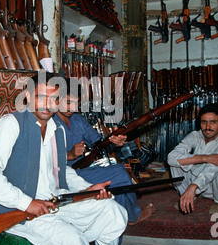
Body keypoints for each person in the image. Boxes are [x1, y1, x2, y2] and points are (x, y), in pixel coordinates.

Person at [0, 72, 156, 245]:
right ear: (27, 96)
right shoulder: (11, 125)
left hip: (54, 201)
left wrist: (87, 189)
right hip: (17, 213)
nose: (46, 105)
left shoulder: (55, 130)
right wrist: (26, 203)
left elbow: (63, 170)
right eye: (39, 97)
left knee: (113, 211)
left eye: (53, 99)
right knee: (72, 242)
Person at [53, 78, 155, 230]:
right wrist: (68, 155)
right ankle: (132, 216)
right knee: (119, 174)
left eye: (76, 102)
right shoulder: (49, 122)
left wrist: (115, 141)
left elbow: (98, 143)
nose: (72, 107)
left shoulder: (78, 119)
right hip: (62, 176)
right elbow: (41, 156)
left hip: (82, 170)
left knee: (119, 177)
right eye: (68, 102)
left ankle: (123, 222)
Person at [167, 103, 218, 214]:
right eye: (204, 122)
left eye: (213, 122)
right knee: (175, 163)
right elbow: (171, 158)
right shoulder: (195, 136)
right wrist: (203, 158)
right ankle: (189, 196)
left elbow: (211, 170)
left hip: (213, 187)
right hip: (194, 185)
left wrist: (194, 186)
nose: (208, 127)